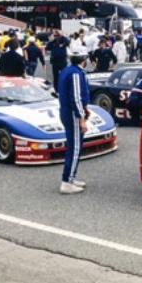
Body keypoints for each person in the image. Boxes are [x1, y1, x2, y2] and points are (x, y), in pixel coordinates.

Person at [57, 47, 91, 194]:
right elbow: (76, 98)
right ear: (84, 59)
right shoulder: (75, 74)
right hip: (72, 113)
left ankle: (71, 177)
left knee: (74, 146)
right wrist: (81, 117)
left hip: (67, 111)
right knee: (75, 147)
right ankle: (67, 181)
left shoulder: (66, 70)